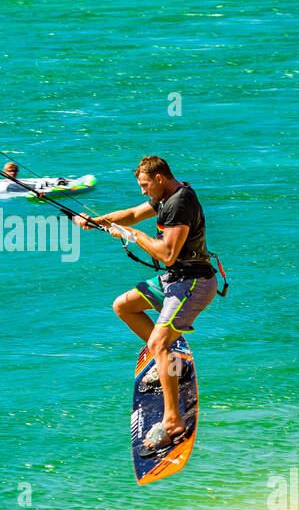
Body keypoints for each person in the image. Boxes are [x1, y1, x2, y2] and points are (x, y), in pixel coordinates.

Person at [76, 156, 217, 456]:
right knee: (124, 306)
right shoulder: (165, 196)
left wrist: (135, 236)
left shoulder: (180, 203)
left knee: (158, 341)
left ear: (160, 179)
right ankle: (170, 360)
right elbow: (130, 214)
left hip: (193, 284)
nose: (142, 192)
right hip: (173, 279)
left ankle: (172, 422)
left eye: (144, 185)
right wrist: (97, 221)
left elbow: (167, 253)